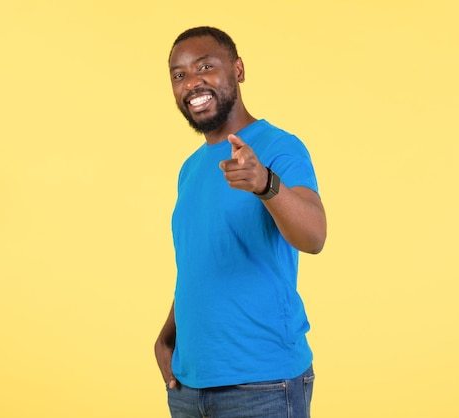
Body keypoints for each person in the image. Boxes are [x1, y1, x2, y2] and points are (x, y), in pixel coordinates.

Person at [154, 26, 327, 418]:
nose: (191, 82)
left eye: (205, 67)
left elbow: (314, 235)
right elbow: (200, 264)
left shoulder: (279, 147)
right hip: (188, 387)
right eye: (179, 75)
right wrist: (168, 336)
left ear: (239, 70)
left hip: (262, 385)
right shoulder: (190, 169)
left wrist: (265, 183)